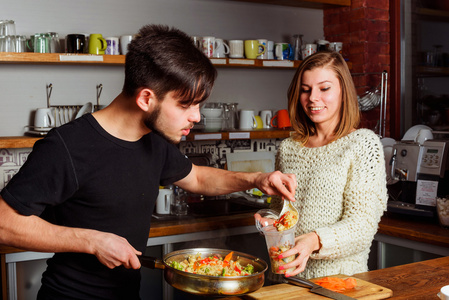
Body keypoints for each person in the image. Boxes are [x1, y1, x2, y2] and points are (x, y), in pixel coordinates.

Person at [0, 24, 296, 299]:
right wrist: (92, 241)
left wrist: (257, 179)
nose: (196, 116)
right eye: (186, 104)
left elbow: (197, 178)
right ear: (145, 99)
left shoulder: (155, 140)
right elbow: (4, 224)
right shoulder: (66, 146)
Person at [262, 50, 387, 280]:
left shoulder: (363, 145)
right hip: (287, 281)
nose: (312, 98)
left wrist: (313, 240)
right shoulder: (289, 148)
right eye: (306, 90)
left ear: (343, 92)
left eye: (324, 88)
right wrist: (269, 221)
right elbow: (283, 212)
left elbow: (363, 225)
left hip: (340, 283)